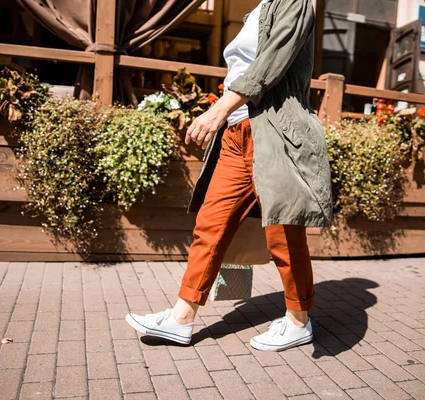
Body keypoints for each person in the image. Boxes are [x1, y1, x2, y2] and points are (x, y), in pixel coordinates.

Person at [126, 0, 333, 352]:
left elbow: (270, 65)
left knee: (284, 234)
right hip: (236, 136)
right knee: (210, 225)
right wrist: (226, 116)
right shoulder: (258, 9)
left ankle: (299, 321)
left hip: (272, 133)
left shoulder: (295, 2)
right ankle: (181, 319)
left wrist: (217, 111)